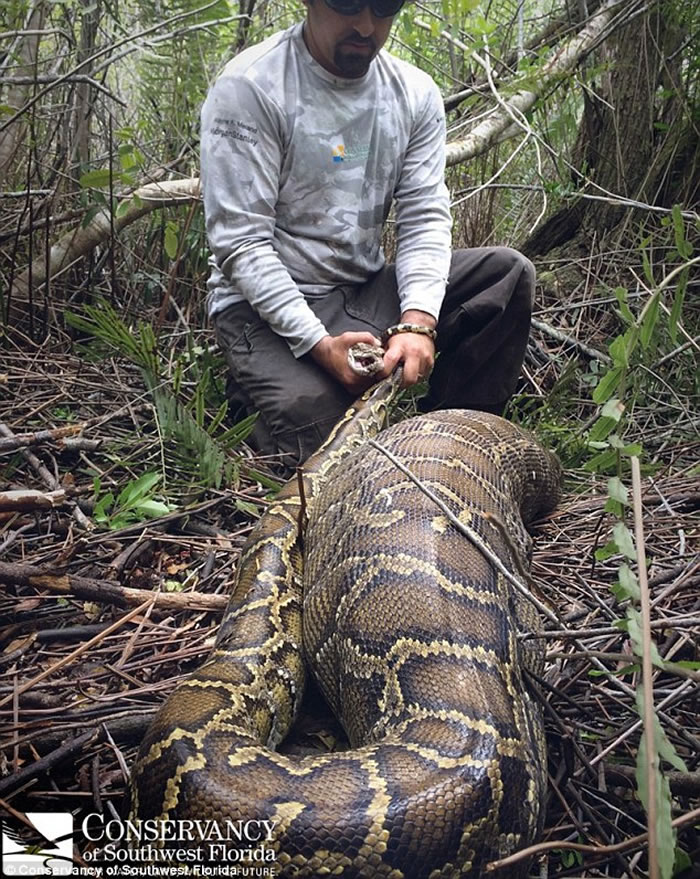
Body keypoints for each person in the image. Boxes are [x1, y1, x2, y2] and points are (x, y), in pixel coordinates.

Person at [201, 0, 534, 471]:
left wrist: (418, 322)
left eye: (383, 7)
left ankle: (458, 448)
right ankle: (262, 391)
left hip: (362, 288)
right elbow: (241, 243)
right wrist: (319, 346)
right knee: (329, 443)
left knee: (506, 276)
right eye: (347, 3)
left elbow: (423, 215)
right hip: (261, 311)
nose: (365, 24)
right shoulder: (252, 88)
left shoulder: (413, 93)